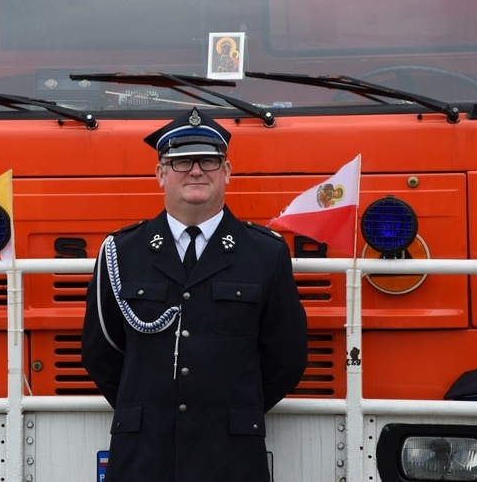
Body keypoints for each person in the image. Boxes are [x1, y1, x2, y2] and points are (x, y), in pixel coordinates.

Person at [82, 107, 308, 482]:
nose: (196, 170)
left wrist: (231, 411)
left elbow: (286, 356)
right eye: (181, 161)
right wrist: (153, 409)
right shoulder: (121, 251)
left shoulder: (266, 253)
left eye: (209, 160)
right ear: (161, 174)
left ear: (228, 172)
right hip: (144, 453)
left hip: (230, 454)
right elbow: (100, 352)